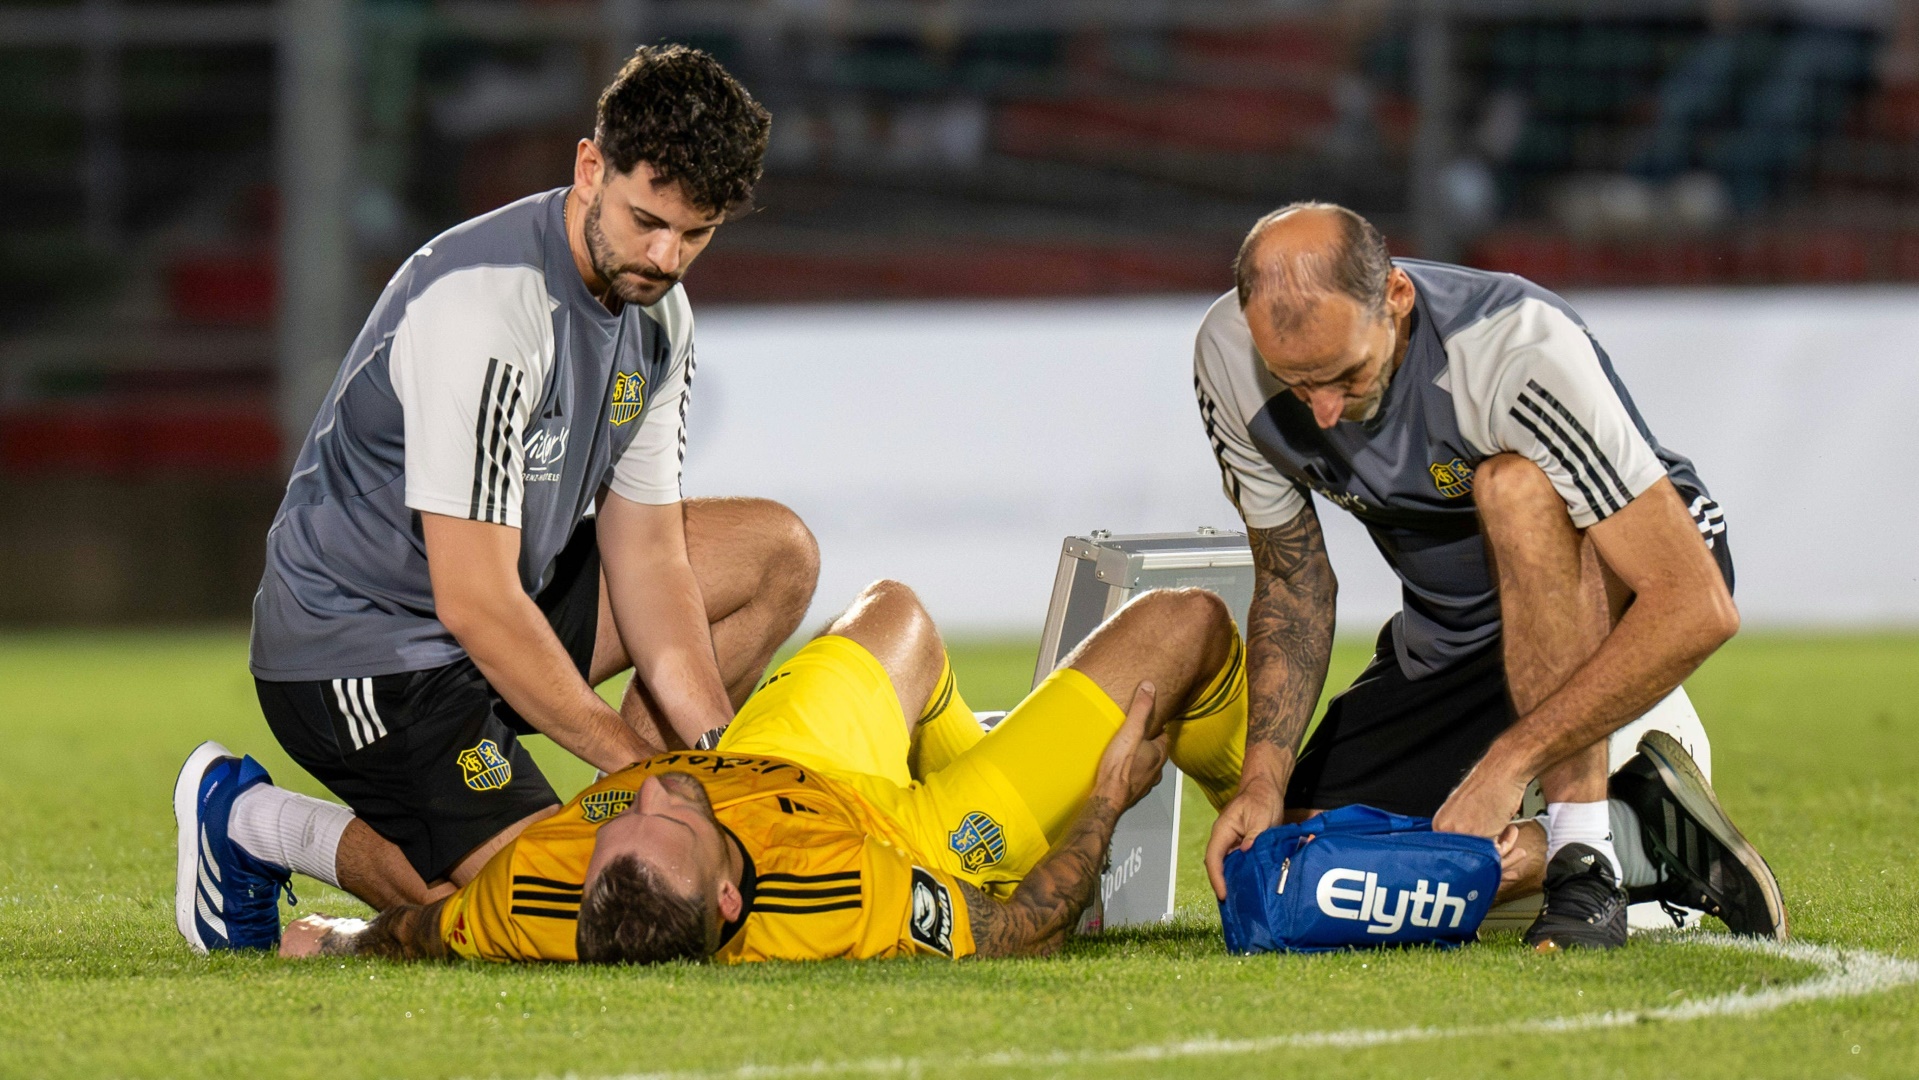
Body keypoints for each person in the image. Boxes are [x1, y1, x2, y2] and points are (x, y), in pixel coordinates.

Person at [175, 45, 820, 955]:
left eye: (696, 233)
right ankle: (251, 824)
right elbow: (471, 600)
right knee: (562, 908)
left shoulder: (658, 313)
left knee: (773, 552)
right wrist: (631, 767)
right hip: (362, 651)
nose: (667, 257)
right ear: (590, 168)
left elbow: (649, 562)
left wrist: (705, 768)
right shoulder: (486, 307)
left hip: (500, 609)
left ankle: (604, 817)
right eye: (647, 221)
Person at [1193, 202, 1783, 950]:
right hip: (1461, 626)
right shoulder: (1225, 355)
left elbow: (1697, 605)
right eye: (1294, 380)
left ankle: (1583, 861)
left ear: (1397, 298)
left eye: (1345, 374)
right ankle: (1643, 834)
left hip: (1630, 565)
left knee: (1513, 487)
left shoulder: (1513, 348)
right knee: (1314, 854)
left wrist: (1507, 764)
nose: (1325, 410)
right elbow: (1291, 580)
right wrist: (1262, 780)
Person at [272, 580, 1253, 963]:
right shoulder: (841, 895)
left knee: (896, 614)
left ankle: (987, 739)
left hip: (779, 756)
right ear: (734, 894)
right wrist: (1104, 804)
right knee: (1186, 624)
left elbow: (426, 933)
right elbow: (1024, 930)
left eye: (617, 818)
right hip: (909, 829)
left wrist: (342, 938)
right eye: (672, 818)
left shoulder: (543, 890)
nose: (652, 784)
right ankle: (1259, 812)